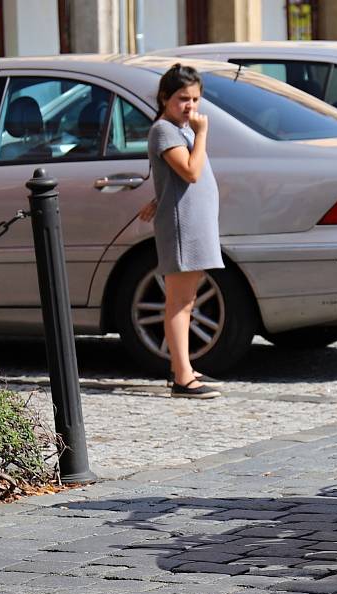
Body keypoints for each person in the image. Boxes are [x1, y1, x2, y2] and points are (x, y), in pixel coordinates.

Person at [139, 63, 224, 399]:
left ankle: (182, 367)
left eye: (195, 99)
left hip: (194, 220)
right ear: (165, 98)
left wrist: (158, 198)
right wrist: (202, 133)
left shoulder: (181, 128)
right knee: (179, 301)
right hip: (183, 225)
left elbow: (176, 178)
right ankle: (182, 377)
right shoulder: (165, 130)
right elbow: (189, 171)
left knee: (187, 300)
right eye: (182, 99)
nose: (190, 106)